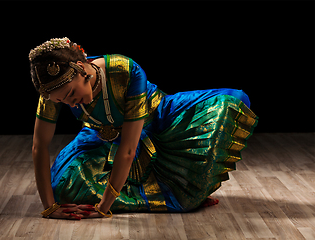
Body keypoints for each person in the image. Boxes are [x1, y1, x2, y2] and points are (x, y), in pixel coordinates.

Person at [29, 37, 258, 220]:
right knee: (64, 187)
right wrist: (49, 208)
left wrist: (103, 208)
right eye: (61, 102)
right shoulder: (54, 89)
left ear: (81, 69)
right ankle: (165, 194)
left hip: (157, 121)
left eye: (70, 94)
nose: (69, 103)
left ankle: (175, 194)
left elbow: (128, 151)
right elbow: (39, 146)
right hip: (102, 134)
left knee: (229, 103)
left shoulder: (123, 71)